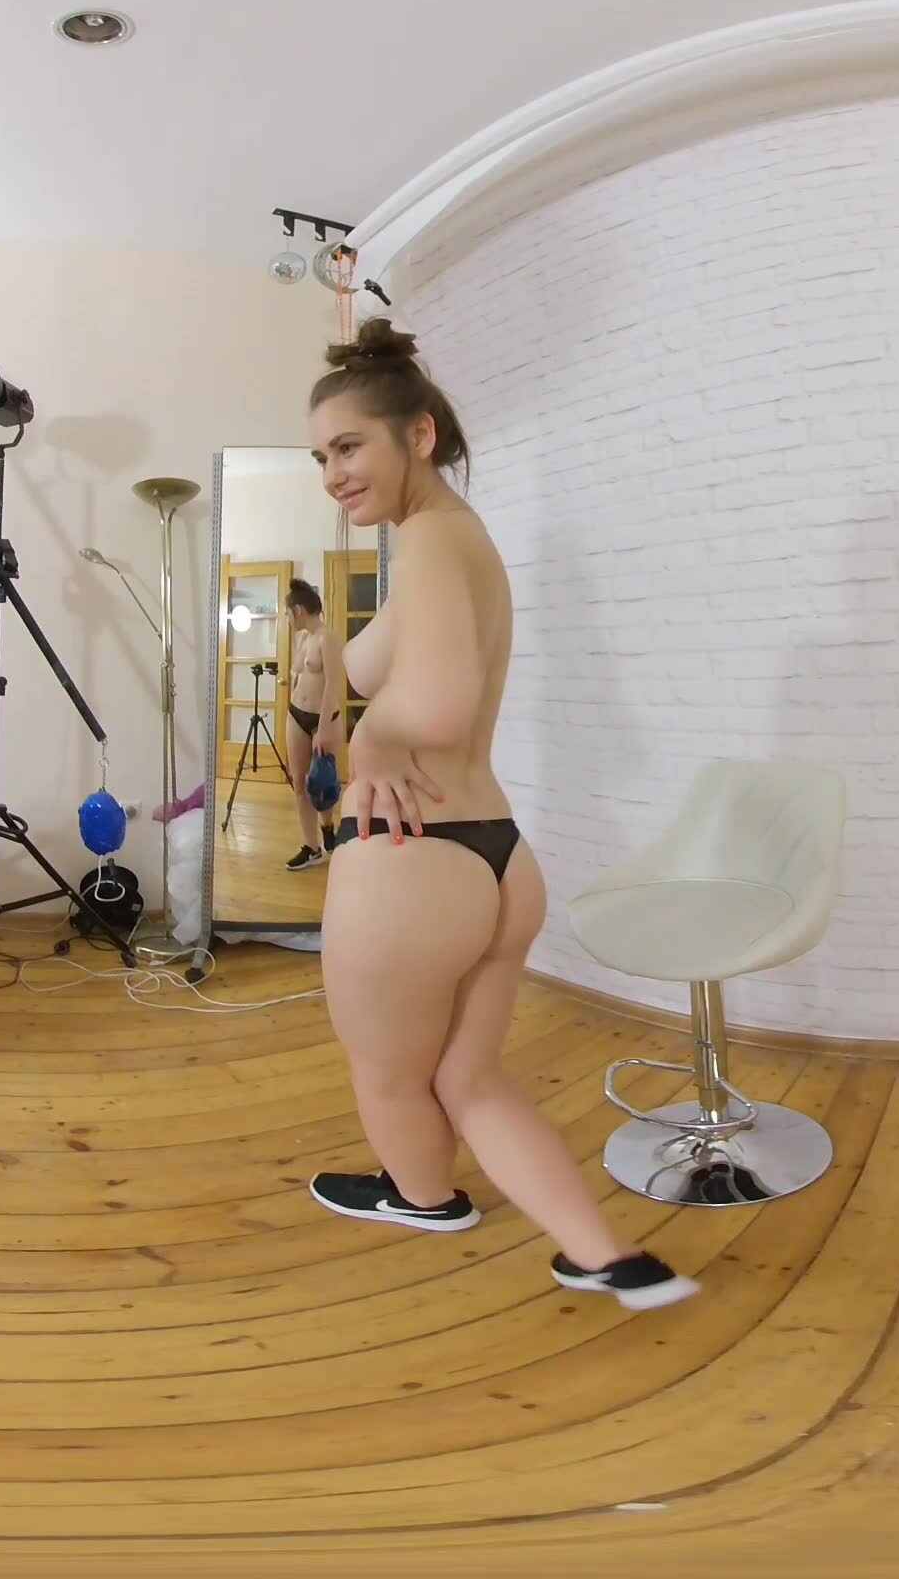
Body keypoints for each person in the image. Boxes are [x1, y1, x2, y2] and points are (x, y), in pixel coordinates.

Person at [300, 319, 696, 1311]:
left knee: (391, 1077)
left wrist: (374, 743)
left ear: (418, 435)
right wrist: (348, 670)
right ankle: (607, 1257)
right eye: (321, 458)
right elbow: (369, 665)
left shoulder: (431, 542)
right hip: (497, 862)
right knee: (468, 1078)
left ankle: (423, 1196)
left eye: (348, 447)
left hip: (413, 863)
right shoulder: (453, 540)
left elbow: (434, 708)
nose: (332, 475)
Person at [282, 577, 340, 871]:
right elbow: (298, 676)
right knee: (299, 783)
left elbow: (333, 684)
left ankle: (327, 826)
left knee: (321, 783)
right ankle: (311, 847)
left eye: (288, 613)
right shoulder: (304, 638)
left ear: (298, 610)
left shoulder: (328, 638)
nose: (287, 619)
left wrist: (325, 728)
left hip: (322, 719)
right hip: (296, 714)